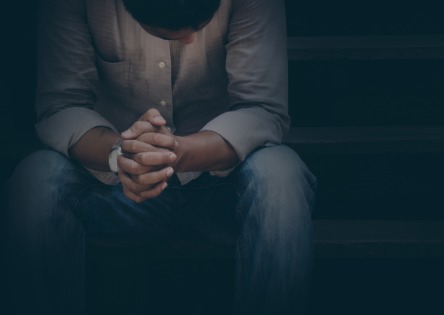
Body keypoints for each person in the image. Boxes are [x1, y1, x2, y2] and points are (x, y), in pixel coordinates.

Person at [3, 0, 316, 314]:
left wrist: (182, 152)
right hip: (115, 191)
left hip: (221, 185)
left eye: (200, 24)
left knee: (281, 173)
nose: (191, 39)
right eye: (171, 32)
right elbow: (60, 106)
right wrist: (121, 156)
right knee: (35, 180)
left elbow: (262, 108)